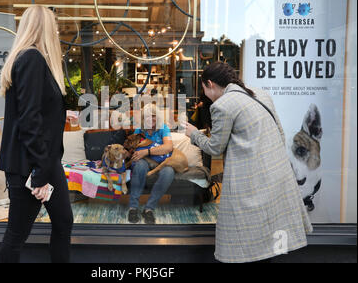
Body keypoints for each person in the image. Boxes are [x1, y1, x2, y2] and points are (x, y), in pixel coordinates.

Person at [182, 62, 312, 263]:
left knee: (246, 240)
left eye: (203, 88)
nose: (204, 93)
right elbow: (280, 132)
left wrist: (194, 134)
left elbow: (215, 148)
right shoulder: (260, 94)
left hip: (250, 182)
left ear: (209, 83)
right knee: (269, 241)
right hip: (277, 176)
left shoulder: (223, 106)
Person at [0, 5, 74, 263]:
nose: (57, 30)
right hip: (32, 165)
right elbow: (29, 120)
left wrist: (62, 114)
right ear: (45, 28)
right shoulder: (31, 59)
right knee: (16, 236)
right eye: (54, 25)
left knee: (64, 222)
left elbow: (35, 112)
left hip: (45, 162)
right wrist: (39, 175)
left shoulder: (32, 60)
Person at [128, 103, 174, 224]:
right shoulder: (139, 129)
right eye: (147, 116)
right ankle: (133, 207)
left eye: (153, 116)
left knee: (169, 172)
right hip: (143, 162)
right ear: (143, 118)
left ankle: (149, 209)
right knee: (139, 166)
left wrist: (147, 151)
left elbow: (168, 147)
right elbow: (132, 148)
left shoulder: (163, 128)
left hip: (160, 162)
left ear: (157, 117)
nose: (150, 119)